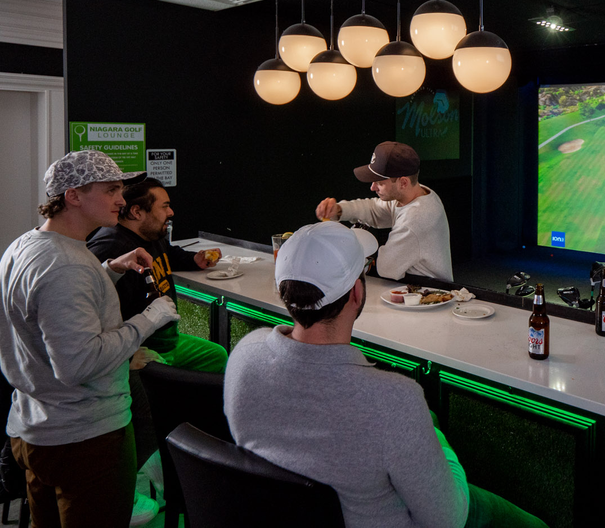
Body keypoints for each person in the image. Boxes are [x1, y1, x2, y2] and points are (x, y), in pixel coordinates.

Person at [224, 221, 547, 528]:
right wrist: (442, 450)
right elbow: (448, 518)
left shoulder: (244, 356)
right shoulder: (394, 400)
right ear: (356, 293)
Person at [0, 151, 181, 528]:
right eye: (111, 190)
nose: (122, 200)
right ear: (73, 196)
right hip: (84, 439)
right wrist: (149, 319)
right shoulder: (67, 267)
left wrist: (109, 271)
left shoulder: (26, 245)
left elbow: (51, 308)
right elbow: (78, 364)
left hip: (36, 427)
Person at [88, 177, 228, 373]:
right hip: (142, 348)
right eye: (164, 206)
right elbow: (95, 318)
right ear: (137, 212)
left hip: (167, 341)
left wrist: (193, 260)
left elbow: (168, 253)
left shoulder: (150, 234)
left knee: (217, 355)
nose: (171, 212)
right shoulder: (111, 248)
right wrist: (128, 357)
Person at [315, 141, 453, 281]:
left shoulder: (416, 218)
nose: (372, 187)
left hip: (430, 289)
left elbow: (386, 268)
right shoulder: (414, 193)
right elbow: (374, 209)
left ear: (403, 182)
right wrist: (339, 210)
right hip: (414, 284)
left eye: (379, 183)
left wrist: (358, 249)